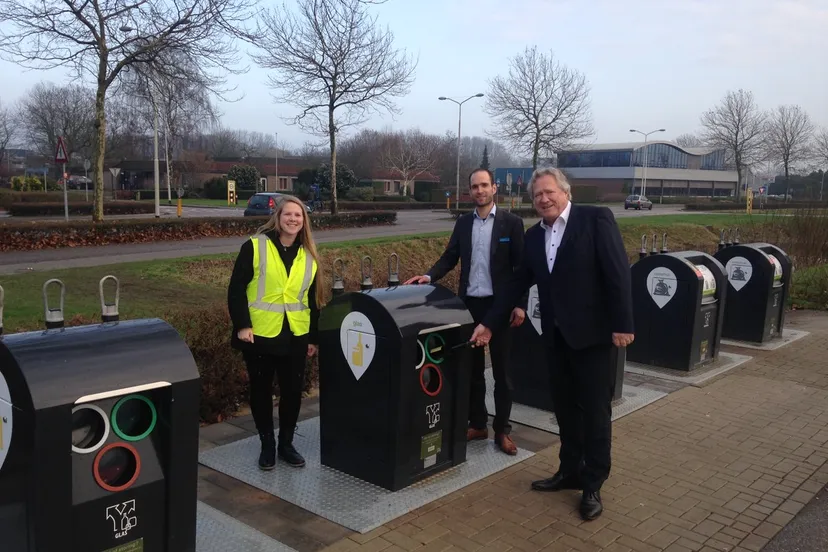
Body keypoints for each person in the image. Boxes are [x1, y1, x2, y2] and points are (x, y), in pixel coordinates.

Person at [469, 167, 634, 521]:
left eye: (549, 192)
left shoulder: (595, 220)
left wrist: (623, 323)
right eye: (537, 195)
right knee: (564, 409)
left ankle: (593, 483)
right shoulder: (533, 237)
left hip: (591, 338)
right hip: (555, 339)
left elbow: (617, 272)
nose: (543, 199)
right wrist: (487, 324)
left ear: (565, 191)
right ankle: (569, 471)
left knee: (595, 412)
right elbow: (515, 286)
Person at [404, 168, 526, 455]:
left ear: (495, 188)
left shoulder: (512, 223)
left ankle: (502, 431)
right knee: (471, 371)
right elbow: (450, 256)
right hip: (469, 306)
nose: (479, 190)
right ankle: (479, 423)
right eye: (474, 186)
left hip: (502, 307)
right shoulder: (463, 224)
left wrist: (520, 303)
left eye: (484, 185)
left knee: (502, 374)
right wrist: (429, 276)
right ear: (470, 191)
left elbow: (521, 269)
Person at [227, 196, 322, 471]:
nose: (293, 219)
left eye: (299, 215)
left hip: (296, 334)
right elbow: (236, 290)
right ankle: (267, 444)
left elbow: (312, 299)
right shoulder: (255, 246)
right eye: (288, 214)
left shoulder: (309, 255)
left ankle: (286, 444)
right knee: (261, 391)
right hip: (259, 334)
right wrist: (242, 325)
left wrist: (313, 337)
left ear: (304, 221)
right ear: (278, 218)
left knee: (293, 392)